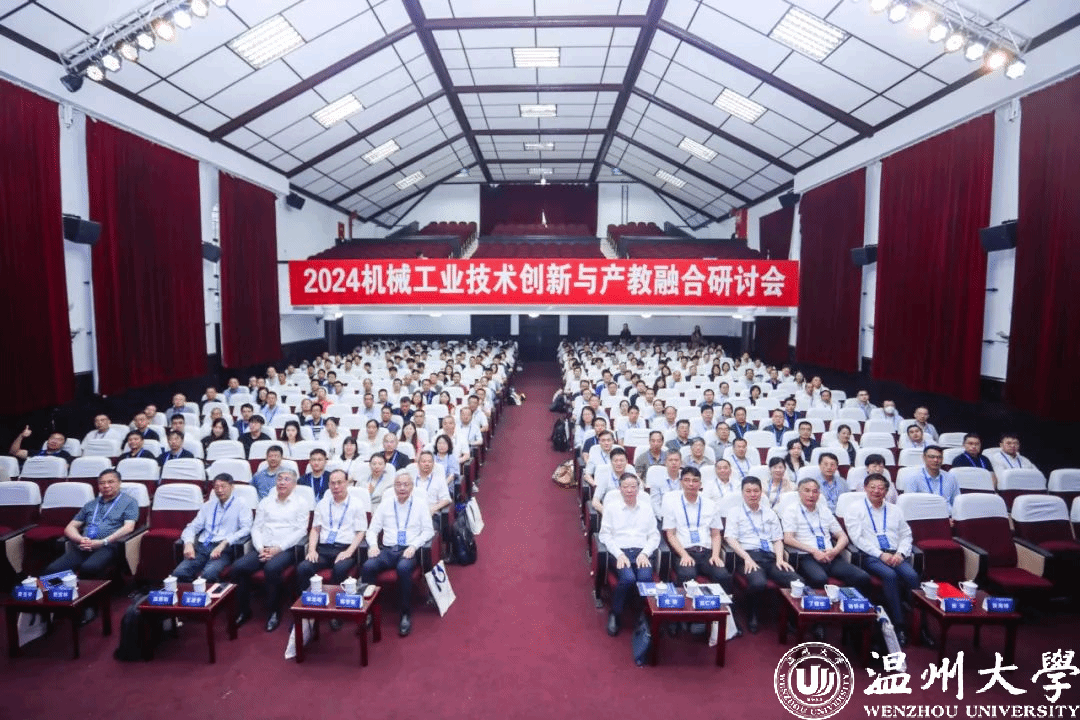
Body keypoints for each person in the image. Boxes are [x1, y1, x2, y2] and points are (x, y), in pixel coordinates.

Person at [782, 477, 872, 638]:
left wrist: (835, 551)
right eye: (807, 491)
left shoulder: (824, 511)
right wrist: (814, 551)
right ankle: (817, 622)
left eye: (815, 491)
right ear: (799, 493)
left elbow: (842, 536)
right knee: (819, 578)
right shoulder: (791, 510)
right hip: (806, 556)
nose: (811, 495)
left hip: (830, 556)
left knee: (862, 577)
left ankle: (853, 622)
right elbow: (788, 539)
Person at [231, 469, 309, 632]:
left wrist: (277, 549)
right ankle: (244, 610)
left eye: (286, 479)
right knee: (238, 567)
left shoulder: (301, 503)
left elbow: (301, 531)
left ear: (294, 484)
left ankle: (274, 612)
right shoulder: (266, 502)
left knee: (271, 568)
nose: (282, 482)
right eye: (279, 479)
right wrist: (260, 548)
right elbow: (256, 527)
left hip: (286, 549)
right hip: (263, 547)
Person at [847, 473, 919, 645]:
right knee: (890, 575)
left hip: (896, 554)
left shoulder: (895, 510)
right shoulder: (855, 509)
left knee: (912, 576)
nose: (876, 491)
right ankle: (899, 626)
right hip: (871, 556)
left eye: (881, 488)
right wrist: (880, 554)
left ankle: (919, 623)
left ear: (886, 491)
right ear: (865, 488)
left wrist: (901, 553)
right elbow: (857, 539)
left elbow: (906, 535)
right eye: (872, 487)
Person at [361, 472, 435, 637]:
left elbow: (428, 531)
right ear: (394, 487)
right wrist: (373, 545)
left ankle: (405, 613)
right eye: (398, 484)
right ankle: (368, 612)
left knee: (403, 568)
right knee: (367, 566)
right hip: (387, 550)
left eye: (406, 484)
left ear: (412, 487)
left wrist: (414, 546)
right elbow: (372, 530)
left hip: (408, 550)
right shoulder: (385, 504)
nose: (402, 488)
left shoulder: (420, 505)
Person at [724, 476, 799, 633]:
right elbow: (730, 539)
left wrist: (780, 559)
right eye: (748, 491)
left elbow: (777, 539)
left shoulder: (770, 513)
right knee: (758, 582)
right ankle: (752, 614)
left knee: (796, 580)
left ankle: (789, 617)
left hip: (770, 557)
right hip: (747, 557)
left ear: (761, 492)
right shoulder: (735, 513)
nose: (752, 494)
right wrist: (747, 558)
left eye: (756, 491)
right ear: (742, 493)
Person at [296, 470, 368, 630]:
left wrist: (349, 552)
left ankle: (335, 612)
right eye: (333, 483)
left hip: (344, 549)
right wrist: (312, 549)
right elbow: (315, 529)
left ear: (347, 483)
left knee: (340, 569)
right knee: (303, 567)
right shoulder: (323, 504)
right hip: (323, 549)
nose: (336, 486)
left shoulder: (356, 504)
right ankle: (308, 611)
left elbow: (361, 532)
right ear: (328, 485)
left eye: (339, 482)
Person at [43, 469, 138, 585]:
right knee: (52, 570)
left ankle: (83, 595)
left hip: (108, 546)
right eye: (102, 483)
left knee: (89, 568)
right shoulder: (91, 504)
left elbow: (129, 527)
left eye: (110, 482)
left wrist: (103, 542)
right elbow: (70, 527)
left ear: (119, 483)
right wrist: (80, 539)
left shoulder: (129, 502)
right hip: (84, 546)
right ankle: (62, 594)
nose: (106, 486)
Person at [597, 473, 659, 637]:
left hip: (641, 552)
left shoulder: (646, 508)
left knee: (645, 578)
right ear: (620, 489)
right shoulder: (611, 508)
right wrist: (619, 554)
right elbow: (605, 536)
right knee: (628, 578)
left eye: (633, 487)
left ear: (638, 489)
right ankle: (615, 613)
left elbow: (654, 536)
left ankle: (644, 614)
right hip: (620, 551)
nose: (630, 490)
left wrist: (645, 553)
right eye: (626, 487)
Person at [662, 466, 733, 593]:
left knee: (722, 575)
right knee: (687, 574)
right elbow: (670, 534)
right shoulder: (672, 504)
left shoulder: (711, 504)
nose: (691, 484)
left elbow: (716, 534)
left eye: (695, 481)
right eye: (687, 480)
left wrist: (716, 555)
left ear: (700, 484)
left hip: (707, 553)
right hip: (684, 551)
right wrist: (684, 555)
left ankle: (724, 605)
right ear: (681, 482)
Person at [172, 473, 253, 583]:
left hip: (223, 550)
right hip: (202, 547)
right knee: (178, 574)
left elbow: (247, 528)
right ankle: (191, 592)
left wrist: (225, 542)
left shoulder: (241, 504)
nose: (219, 490)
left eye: (223, 486)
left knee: (208, 575)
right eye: (216, 487)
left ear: (232, 487)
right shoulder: (208, 505)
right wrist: (188, 543)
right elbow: (192, 527)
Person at [906, 446, 959, 512]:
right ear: (924, 458)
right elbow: (910, 504)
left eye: (939, 457)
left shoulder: (950, 478)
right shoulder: (913, 478)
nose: (936, 460)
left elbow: (956, 503)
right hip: (925, 514)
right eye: (932, 457)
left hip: (947, 515)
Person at [413, 451, 452, 516]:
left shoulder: (439, 480)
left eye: (430, 462)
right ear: (418, 464)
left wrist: (433, 509)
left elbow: (446, 499)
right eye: (424, 462)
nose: (427, 464)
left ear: (433, 464)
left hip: (432, 515)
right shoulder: (411, 480)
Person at [647, 450, 683, 519]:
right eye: (670, 460)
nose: (674, 463)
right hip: (663, 516)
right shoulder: (657, 479)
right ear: (665, 462)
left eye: (676, 460)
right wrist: (664, 518)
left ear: (681, 463)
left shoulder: (686, 478)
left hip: (682, 516)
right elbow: (655, 503)